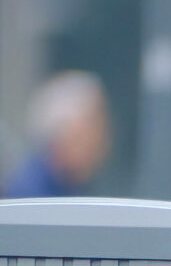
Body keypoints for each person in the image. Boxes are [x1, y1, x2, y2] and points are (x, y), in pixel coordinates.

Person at [3, 71, 110, 199]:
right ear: (65, 134)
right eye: (93, 130)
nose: (100, 143)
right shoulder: (31, 196)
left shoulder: (68, 185)